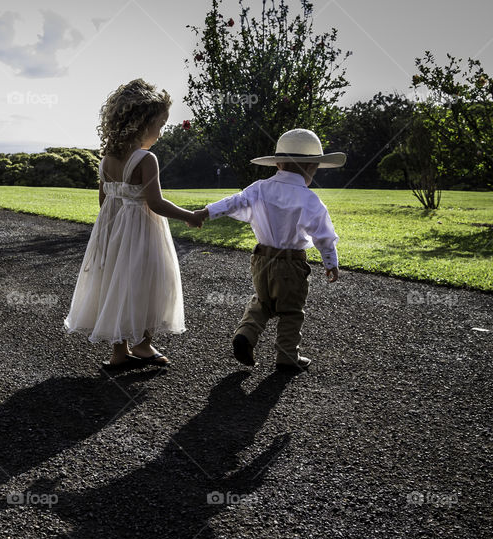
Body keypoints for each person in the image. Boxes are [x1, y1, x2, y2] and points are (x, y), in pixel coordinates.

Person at [64, 79, 204, 369]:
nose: (161, 133)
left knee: (115, 283)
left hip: (112, 232)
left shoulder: (105, 160)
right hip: (143, 232)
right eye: (160, 125)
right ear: (142, 123)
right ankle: (142, 345)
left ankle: (119, 351)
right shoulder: (146, 159)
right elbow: (155, 203)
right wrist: (190, 216)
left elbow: (104, 202)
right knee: (146, 281)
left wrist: (112, 230)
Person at [194, 128, 344, 372]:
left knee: (262, 301)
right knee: (291, 311)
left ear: (279, 163)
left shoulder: (260, 188)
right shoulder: (310, 200)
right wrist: (331, 263)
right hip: (292, 264)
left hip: (261, 259)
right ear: (312, 168)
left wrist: (206, 212)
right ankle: (287, 356)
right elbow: (324, 237)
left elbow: (233, 202)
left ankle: (245, 334)